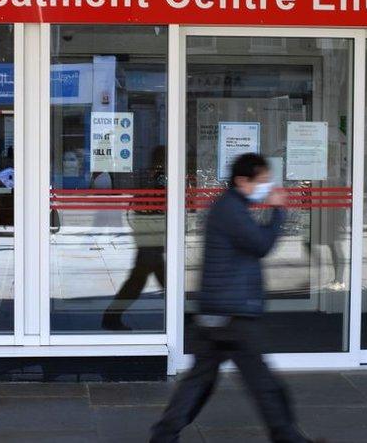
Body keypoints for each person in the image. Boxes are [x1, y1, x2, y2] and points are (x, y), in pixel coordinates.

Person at [151, 153, 309, 443]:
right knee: (263, 384)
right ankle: (288, 436)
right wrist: (277, 212)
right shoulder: (230, 210)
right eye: (262, 181)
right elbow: (261, 244)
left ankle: (163, 434)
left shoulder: (232, 206)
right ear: (241, 181)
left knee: (200, 382)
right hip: (233, 315)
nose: (267, 186)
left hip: (218, 311)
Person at [102, 145, 166, 331]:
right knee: (144, 276)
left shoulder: (148, 174)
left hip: (146, 228)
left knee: (147, 274)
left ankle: (182, 316)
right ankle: (183, 316)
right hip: (151, 229)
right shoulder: (160, 176)